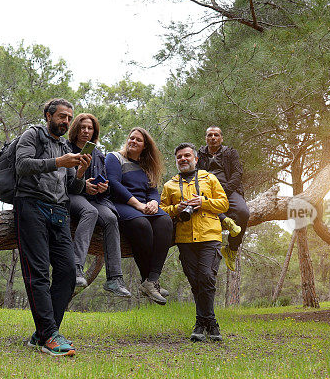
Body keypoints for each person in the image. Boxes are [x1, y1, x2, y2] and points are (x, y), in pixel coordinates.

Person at [14, 98, 89, 357]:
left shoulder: (65, 146)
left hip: (59, 213)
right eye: (61, 117)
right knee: (39, 273)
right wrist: (59, 162)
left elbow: (72, 188)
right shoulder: (32, 135)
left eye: (69, 118)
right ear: (48, 116)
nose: (66, 121)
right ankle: (49, 335)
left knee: (68, 273)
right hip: (31, 207)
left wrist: (79, 173)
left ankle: (44, 332)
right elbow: (22, 165)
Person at [161, 142, 228, 341]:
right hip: (185, 239)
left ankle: (208, 322)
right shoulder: (169, 185)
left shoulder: (210, 178)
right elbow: (162, 210)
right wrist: (177, 208)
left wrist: (203, 202)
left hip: (210, 236)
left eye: (187, 156)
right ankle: (204, 324)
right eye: (179, 157)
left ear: (195, 159)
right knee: (195, 282)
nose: (183, 159)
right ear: (176, 161)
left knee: (206, 277)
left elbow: (224, 203)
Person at [106, 127, 173, 305]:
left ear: (145, 146)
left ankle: (151, 280)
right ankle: (150, 282)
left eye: (138, 140)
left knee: (165, 221)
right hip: (122, 204)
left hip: (144, 205)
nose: (133, 141)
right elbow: (113, 183)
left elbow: (153, 190)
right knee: (142, 224)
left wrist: (153, 203)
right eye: (131, 138)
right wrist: (138, 204)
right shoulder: (114, 157)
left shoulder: (146, 166)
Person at [67, 113, 131, 297]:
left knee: (111, 218)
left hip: (96, 198)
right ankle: (76, 268)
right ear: (76, 129)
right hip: (73, 196)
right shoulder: (66, 148)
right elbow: (63, 182)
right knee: (90, 212)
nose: (86, 131)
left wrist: (103, 187)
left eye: (90, 128)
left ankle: (114, 279)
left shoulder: (97, 153)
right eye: (82, 127)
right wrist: (82, 183)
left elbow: (106, 185)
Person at [197, 126, 250, 271]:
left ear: (221, 138)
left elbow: (237, 173)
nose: (213, 138)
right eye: (209, 135)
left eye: (216, 135)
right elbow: (196, 174)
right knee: (205, 211)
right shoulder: (199, 155)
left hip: (228, 189)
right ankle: (224, 220)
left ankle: (231, 249)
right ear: (206, 138)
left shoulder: (230, 153)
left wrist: (224, 191)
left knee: (243, 212)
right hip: (206, 191)